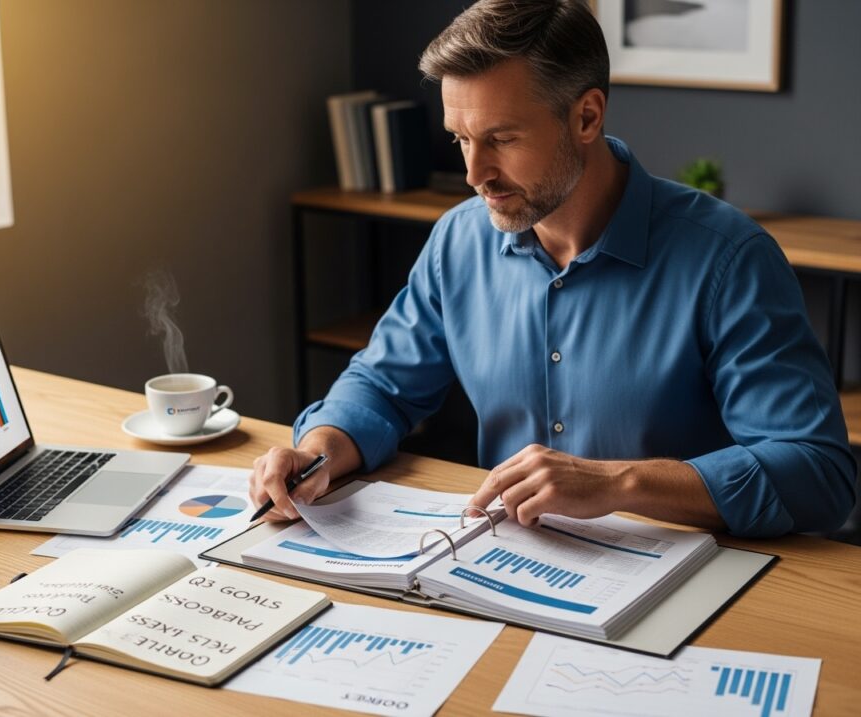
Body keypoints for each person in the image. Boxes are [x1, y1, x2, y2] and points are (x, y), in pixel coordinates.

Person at [249, 0, 856, 537]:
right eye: (460, 138)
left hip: (687, 586)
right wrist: (321, 450)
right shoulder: (459, 240)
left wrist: (619, 483)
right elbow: (382, 386)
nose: (473, 173)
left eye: (501, 139)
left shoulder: (729, 260)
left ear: (587, 117)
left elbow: (819, 475)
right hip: (508, 567)